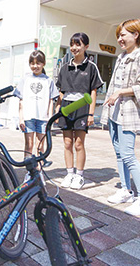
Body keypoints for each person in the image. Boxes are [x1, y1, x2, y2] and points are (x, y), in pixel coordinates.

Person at [100, 19, 140, 216]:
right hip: (116, 113)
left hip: (128, 114)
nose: (119, 39)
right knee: (119, 153)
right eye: (119, 35)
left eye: (123, 35)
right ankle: (126, 190)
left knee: (129, 155)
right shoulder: (122, 57)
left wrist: (120, 92)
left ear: (136, 35)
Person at [55, 32, 103, 190]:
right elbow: (61, 91)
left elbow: (93, 91)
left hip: (82, 106)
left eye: (78, 44)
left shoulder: (91, 67)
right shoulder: (64, 67)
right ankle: (69, 173)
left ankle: (79, 175)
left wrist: (91, 113)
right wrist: (57, 109)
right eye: (72, 44)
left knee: (79, 143)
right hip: (66, 106)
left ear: (86, 47)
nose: (74, 48)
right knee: (67, 142)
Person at [14, 50, 59, 161]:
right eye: (32, 63)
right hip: (28, 117)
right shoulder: (25, 79)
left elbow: (50, 101)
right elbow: (21, 101)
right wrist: (21, 118)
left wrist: (50, 118)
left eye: (38, 63)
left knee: (40, 146)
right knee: (29, 145)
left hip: (43, 118)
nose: (35, 66)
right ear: (29, 64)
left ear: (43, 63)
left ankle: (39, 170)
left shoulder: (49, 81)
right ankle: (29, 169)